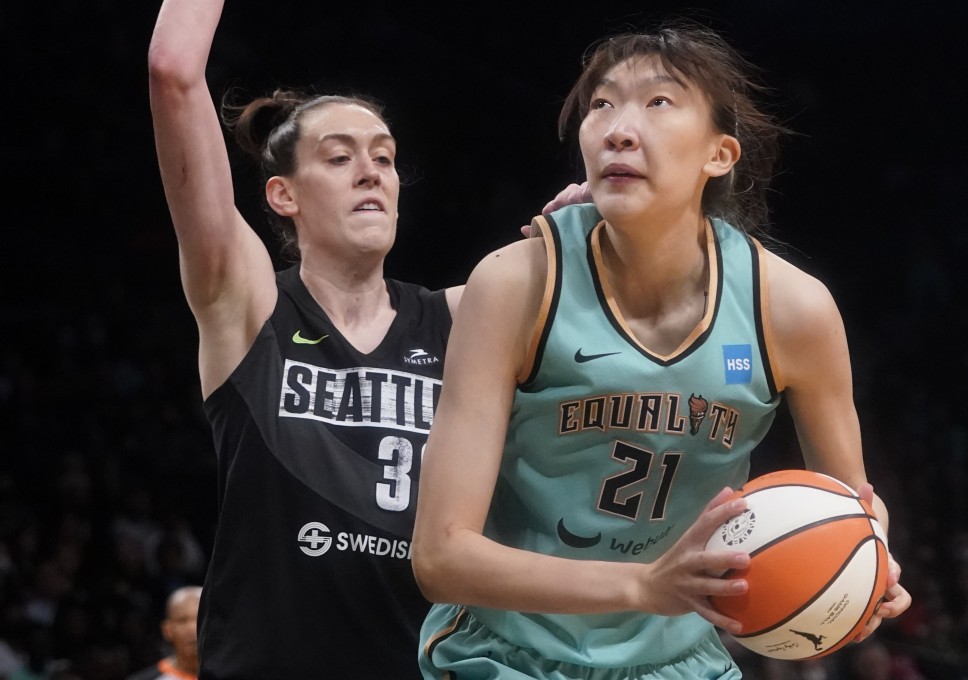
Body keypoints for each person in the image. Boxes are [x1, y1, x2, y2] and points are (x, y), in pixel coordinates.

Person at [411, 20, 912, 678]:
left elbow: (851, 502)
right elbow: (441, 559)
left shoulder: (792, 310)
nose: (618, 127)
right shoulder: (514, 283)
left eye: (658, 102)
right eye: (601, 104)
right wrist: (644, 585)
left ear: (720, 155)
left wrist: (867, 563)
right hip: (506, 655)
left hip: (682, 662)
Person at [147, 0, 582, 676]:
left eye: (384, 157)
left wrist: (588, 231)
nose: (372, 171)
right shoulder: (249, 304)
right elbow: (173, 71)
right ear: (283, 195)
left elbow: (598, 274)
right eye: (340, 157)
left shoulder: (463, 317)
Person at [126, 586, 202, 680]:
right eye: (182, 621)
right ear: (167, 629)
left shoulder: (224, 674)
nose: (192, 628)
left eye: (199, 620)